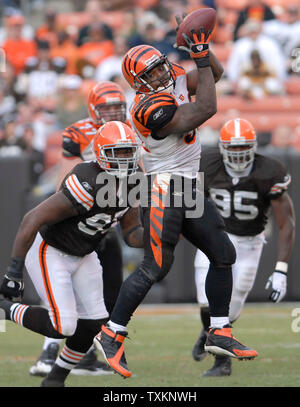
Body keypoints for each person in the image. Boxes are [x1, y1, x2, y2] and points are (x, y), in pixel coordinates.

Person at [93, 20, 258, 379]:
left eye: (160, 66)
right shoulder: (146, 107)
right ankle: (111, 332)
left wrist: (200, 48)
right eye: (151, 72)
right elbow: (205, 110)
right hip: (163, 187)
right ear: (138, 83)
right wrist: (197, 56)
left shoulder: (174, 76)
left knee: (223, 253)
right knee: (155, 266)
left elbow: (217, 72)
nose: (161, 74)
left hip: (188, 185)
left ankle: (219, 330)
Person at [0, 120, 143, 387]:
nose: (124, 159)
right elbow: (32, 219)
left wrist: (160, 235)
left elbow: (132, 233)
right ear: (100, 153)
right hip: (51, 250)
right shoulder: (86, 179)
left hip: (85, 253)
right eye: (117, 152)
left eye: (128, 152)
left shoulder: (134, 181)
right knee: (63, 326)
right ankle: (4, 309)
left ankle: (55, 379)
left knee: (94, 324)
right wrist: (14, 270)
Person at [28, 81, 129, 377]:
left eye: (117, 107)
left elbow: (138, 174)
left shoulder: (130, 130)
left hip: (108, 218)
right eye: (106, 107)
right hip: (81, 214)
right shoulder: (79, 134)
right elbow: (65, 181)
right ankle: (49, 352)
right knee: (65, 301)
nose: (112, 113)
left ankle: (84, 358)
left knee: (107, 294)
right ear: (92, 110)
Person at [192, 118, 295, 376]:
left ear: (254, 146)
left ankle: (209, 333)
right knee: (207, 300)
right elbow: (190, 205)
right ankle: (221, 360)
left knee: (233, 305)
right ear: (222, 147)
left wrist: (281, 269)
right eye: (233, 147)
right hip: (215, 238)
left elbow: (287, 223)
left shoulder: (270, 170)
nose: (238, 153)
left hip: (250, 243)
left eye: (243, 147)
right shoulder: (207, 164)